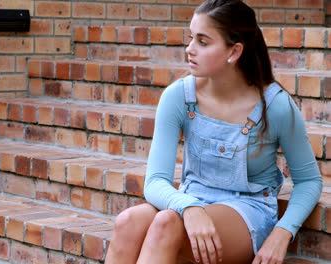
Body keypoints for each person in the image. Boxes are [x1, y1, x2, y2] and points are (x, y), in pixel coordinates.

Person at [104, 0, 323, 263]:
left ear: (234, 51)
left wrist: (282, 232)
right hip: (191, 199)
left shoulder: (274, 106)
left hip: (247, 210)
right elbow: (154, 182)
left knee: (166, 224)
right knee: (128, 221)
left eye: (203, 42)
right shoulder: (179, 97)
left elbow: (309, 181)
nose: (189, 49)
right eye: (190, 38)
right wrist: (190, 207)